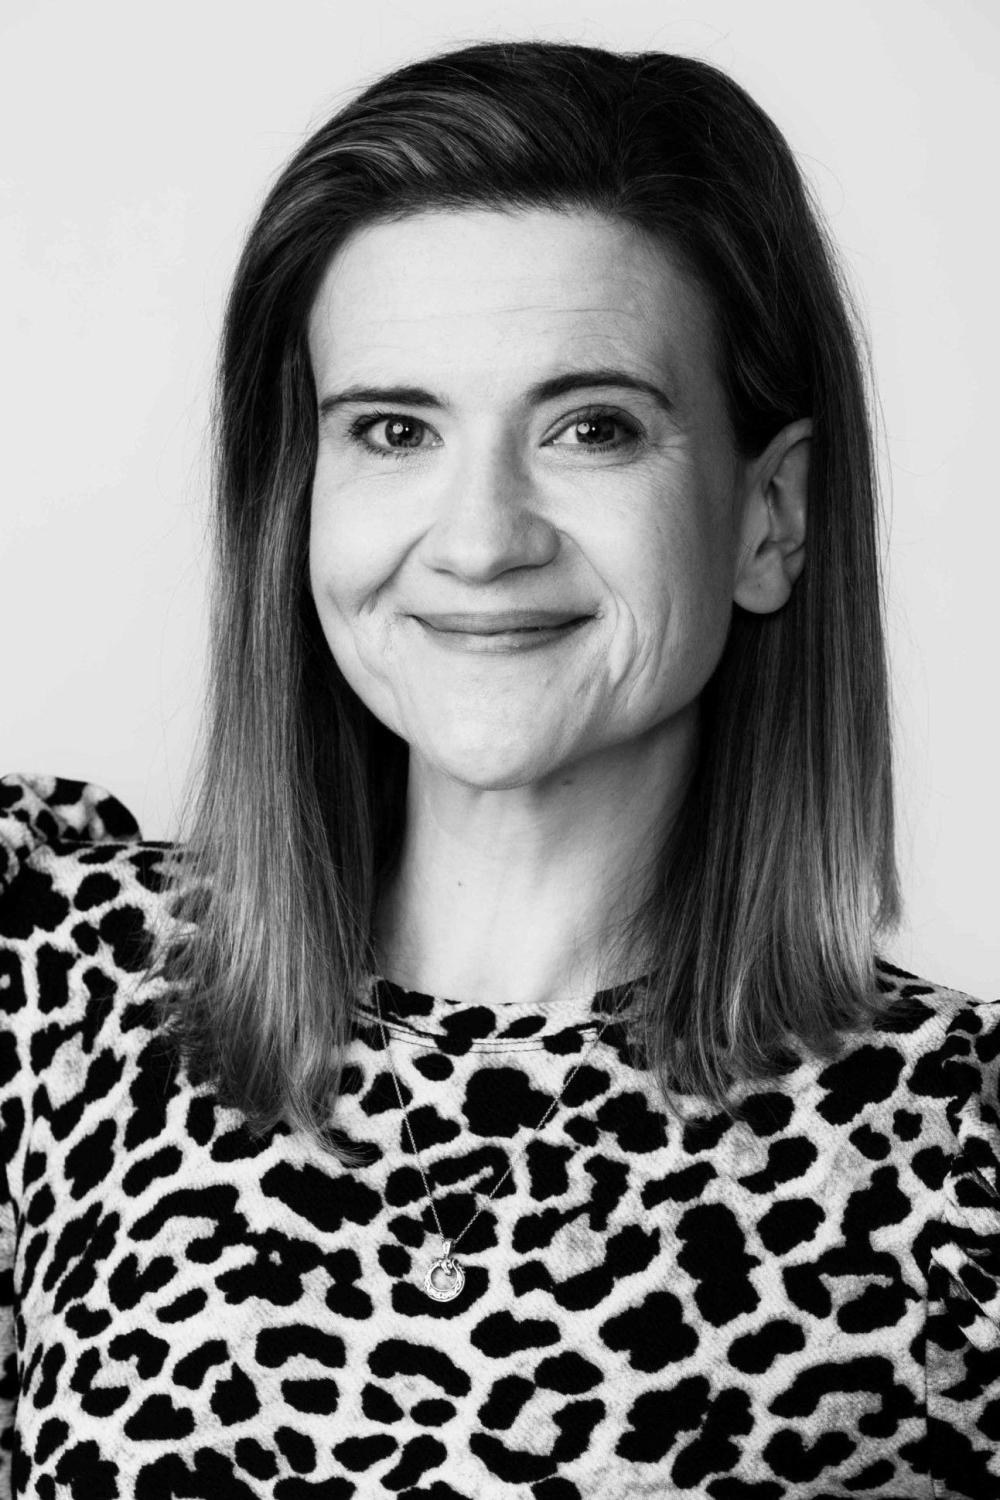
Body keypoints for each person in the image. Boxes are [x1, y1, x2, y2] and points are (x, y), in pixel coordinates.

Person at [1, 38, 997, 1500]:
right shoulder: (51, 990)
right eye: (394, 430)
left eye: (592, 429)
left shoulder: (957, 1160)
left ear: (768, 517)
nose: (480, 541)